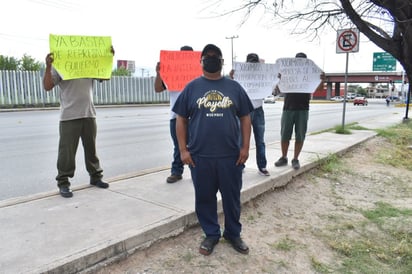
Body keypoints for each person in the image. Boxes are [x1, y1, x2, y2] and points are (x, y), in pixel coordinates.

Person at [173, 44, 254, 256]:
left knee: (232, 198)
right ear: (200, 62)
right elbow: (180, 119)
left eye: (215, 56)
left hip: (231, 156)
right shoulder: (191, 88)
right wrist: (183, 151)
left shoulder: (234, 87)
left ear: (221, 61)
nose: (210, 59)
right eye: (206, 57)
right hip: (200, 157)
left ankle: (233, 233)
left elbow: (246, 118)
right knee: (204, 198)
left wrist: (245, 147)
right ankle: (211, 233)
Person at [42, 46, 115, 198]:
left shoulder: (88, 63)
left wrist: (109, 58)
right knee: (66, 153)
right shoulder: (60, 64)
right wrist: (48, 66)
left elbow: (104, 77)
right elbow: (47, 86)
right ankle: (63, 183)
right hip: (69, 115)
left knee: (91, 149)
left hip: (88, 113)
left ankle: (96, 177)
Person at [274, 52, 323, 170]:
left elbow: (319, 89)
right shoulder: (287, 74)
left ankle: (295, 159)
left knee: (300, 135)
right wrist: (278, 79)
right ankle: (284, 157)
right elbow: (278, 89)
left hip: (303, 109)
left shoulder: (310, 74)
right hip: (288, 108)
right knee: (285, 135)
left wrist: (322, 80)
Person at [154, 45, 193, 184]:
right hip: (176, 116)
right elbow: (158, 88)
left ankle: (198, 172)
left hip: (196, 116)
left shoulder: (198, 73)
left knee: (198, 145)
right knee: (178, 145)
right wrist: (159, 73)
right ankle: (176, 172)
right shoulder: (171, 72)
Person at [230, 53, 271, 176]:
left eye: (255, 63)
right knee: (240, 140)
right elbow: (234, 86)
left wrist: (275, 77)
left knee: (260, 140)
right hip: (243, 111)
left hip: (258, 110)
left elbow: (271, 85)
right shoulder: (240, 74)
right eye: (251, 63)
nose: (252, 66)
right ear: (246, 64)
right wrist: (232, 76)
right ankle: (240, 164)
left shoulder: (263, 75)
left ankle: (262, 166)